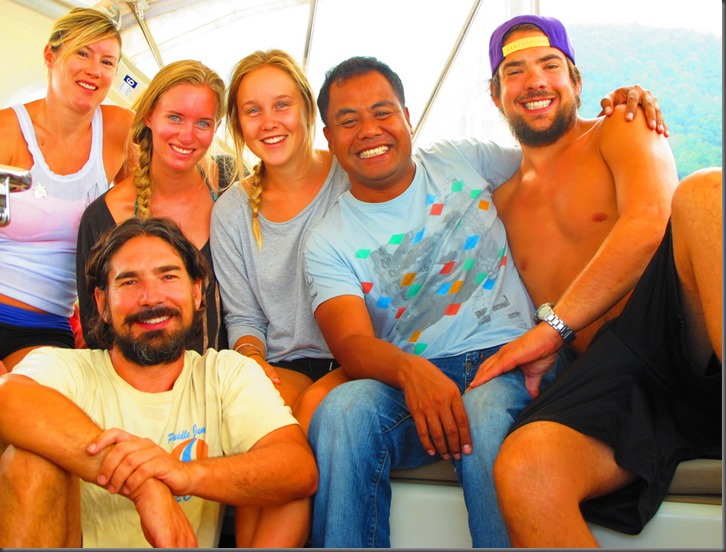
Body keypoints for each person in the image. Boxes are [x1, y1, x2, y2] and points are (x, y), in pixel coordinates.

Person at [302, 55, 666, 548]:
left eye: (382, 112)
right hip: (418, 383)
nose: (369, 130)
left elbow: (557, 148)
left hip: (515, 359)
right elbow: (349, 342)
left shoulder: (464, 158)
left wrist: (622, 110)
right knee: (343, 410)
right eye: (349, 121)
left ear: (407, 117)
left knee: (486, 408)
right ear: (329, 137)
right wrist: (412, 373)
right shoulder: (328, 239)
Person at [466, 15, 722, 547]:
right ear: (495, 95)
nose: (535, 81)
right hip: (611, 379)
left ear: (576, 81)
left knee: (706, 194)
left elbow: (650, 222)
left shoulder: (619, 127)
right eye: (515, 72)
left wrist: (550, 329)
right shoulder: (499, 202)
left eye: (550, 65)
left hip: (678, 332)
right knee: (525, 469)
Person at [0, 216, 317, 548]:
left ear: (196, 291)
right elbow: (7, 396)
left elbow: (297, 468)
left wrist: (183, 474)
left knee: (284, 485)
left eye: (168, 276)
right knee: (29, 460)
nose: (151, 298)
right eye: (129, 282)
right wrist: (144, 485)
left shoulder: (225, 374)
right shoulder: (66, 369)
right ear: (102, 303)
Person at [210, 49, 349, 423]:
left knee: (316, 411)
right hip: (285, 363)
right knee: (245, 419)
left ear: (308, 109)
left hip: (360, 357)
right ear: (238, 124)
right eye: (253, 111)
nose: (269, 122)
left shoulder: (352, 177)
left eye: (282, 105)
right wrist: (253, 361)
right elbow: (244, 317)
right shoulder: (231, 211)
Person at [0, 7, 134, 373]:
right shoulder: (7, 131)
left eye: (107, 62)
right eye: (82, 53)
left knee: (33, 398)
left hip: (47, 327)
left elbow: (145, 216)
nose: (94, 70)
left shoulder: (120, 130)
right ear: (50, 55)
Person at [77, 59, 234, 355]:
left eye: (203, 123)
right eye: (175, 117)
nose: (187, 135)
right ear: (149, 116)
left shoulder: (233, 184)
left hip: (232, 372)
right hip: (142, 378)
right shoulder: (103, 216)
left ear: (217, 127)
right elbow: (96, 329)